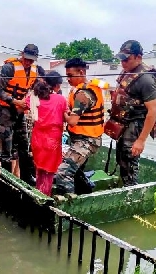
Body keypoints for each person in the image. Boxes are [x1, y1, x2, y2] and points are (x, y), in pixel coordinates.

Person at [0, 43, 45, 185]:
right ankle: (8, 180)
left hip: (20, 112)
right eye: (26, 58)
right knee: (6, 148)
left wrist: (29, 103)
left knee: (24, 145)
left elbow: (33, 90)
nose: (28, 62)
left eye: (31, 60)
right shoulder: (9, 68)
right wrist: (14, 101)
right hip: (6, 111)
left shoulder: (35, 71)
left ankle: (27, 177)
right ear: (22, 54)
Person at [109, 40, 156, 186]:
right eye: (121, 59)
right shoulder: (127, 72)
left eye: (126, 59)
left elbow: (153, 111)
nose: (123, 63)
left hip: (136, 124)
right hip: (123, 123)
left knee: (130, 161)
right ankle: (125, 187)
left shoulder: (146, 79)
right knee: (122, 158)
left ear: (138, 56)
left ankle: (131, 193)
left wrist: (141, 140)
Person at [58, 58, 108, 195]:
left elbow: (72, 121)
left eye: (70, 75)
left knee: (63, 173)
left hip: (87, 141)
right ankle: (85, 194)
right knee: (76, 173)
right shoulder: (81, 89)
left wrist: (63, 113)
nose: (67, 79)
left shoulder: (83, 93)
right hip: (82, 138)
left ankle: (69, 206)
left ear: (81, 72)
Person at [26, 71, 67, 196]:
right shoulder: (60, 99)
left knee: (40, 169)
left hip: (37, 139)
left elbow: (22, 106)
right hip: (52, 140)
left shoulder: (33, 97)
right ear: (57, 86)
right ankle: (44, 197)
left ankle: (39, 193)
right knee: (49, 172)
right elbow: (67, 117)